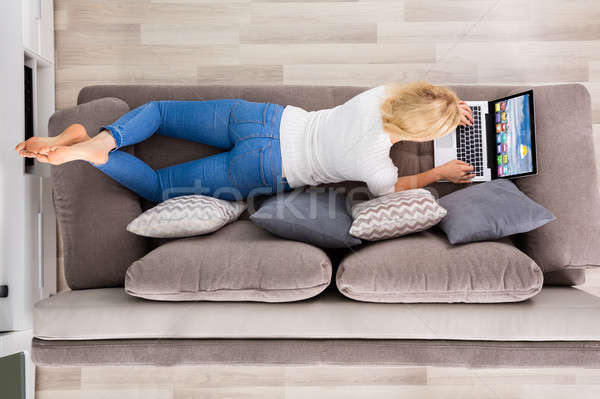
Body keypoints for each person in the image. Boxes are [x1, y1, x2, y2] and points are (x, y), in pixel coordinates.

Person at [15, 81, 475, 202]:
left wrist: (448, 104)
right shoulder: (375, 162)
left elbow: (416, 96)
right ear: (418, 135)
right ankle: (97, 156)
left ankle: (102, 137)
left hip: (261, 119)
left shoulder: (378, 95)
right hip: (264, 167)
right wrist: (438, 172)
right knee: (155, 189)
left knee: (156, 112)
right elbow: (387, 192)